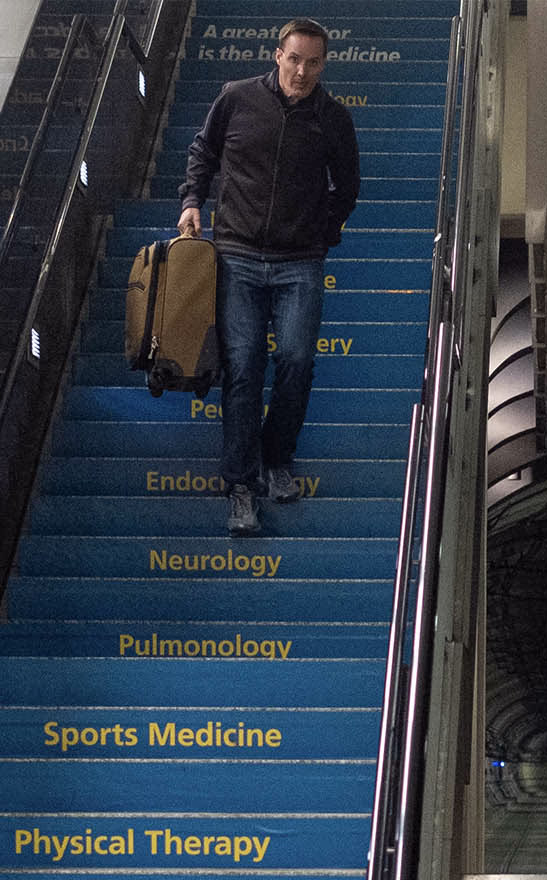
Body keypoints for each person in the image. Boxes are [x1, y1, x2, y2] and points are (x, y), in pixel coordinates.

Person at [178, 18, 361, 535]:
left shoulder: (333, 119)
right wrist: (192, 201)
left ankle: (277, 457)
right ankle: (240, 486)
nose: (302, 71)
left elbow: (347, 188)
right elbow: (203, 152)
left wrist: (321, 232)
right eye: (294, 58)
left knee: (298, 361)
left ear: (324, 65)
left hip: (300, 260)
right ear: (277, 54)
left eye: (313, 62)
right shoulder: (236, 98)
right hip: (235, 253)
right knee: (242, 369)